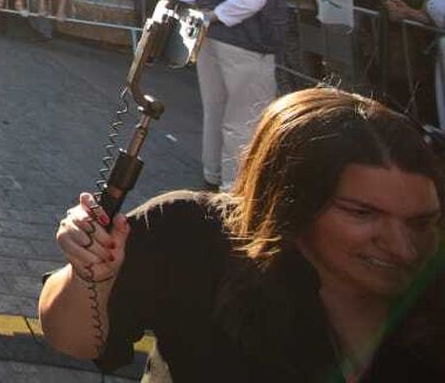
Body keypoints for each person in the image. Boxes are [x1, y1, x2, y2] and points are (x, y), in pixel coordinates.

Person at [39, 87, 444, 380]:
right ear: (291, 200)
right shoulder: (192, 233)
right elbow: (75, 341)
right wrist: (89, 275)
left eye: (420, 222)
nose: (403, 248)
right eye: (363, 214)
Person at [165, 0, 288, 191]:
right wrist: (213, 14)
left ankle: (214, 172)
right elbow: (251, 0)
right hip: (245, 41)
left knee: (215, 107)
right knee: (246, 115)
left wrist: (200, 10)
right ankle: (235, 185)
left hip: (207, 37)